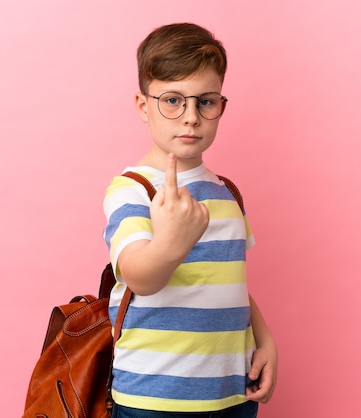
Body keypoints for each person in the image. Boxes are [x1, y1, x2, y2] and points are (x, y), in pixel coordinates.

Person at [103, 22, 277, 417]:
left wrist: (266, 340)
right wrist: (171, 243)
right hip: (154, 397)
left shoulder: (227, 193)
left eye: (206, 101)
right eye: (172, 100)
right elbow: (140, 277)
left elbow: (227, 281)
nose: (191, 117)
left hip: (233, 393)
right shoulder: (133, 190)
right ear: (143, 106)